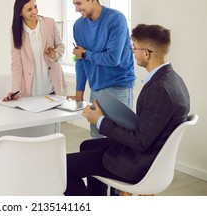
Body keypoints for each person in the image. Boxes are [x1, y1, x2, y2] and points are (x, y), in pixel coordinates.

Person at [64, 23, 190, 196]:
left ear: (146, 53)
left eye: (134, 48)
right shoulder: (173, 79)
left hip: (139, 163)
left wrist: (100, 121)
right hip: (148, 151)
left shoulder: (159, 89)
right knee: (86, 145)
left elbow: (140, 142)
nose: (132, 51)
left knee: (64, 168)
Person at [67, 0, 135, 139]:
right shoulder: (78, 26)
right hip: (96, 90)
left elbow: (113, 59)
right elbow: (80, 61)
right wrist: (79, 93)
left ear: (92, 0)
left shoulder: (116, 19)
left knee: (119, 140)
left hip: (118, 89)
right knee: (96, 138)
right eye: (74, 4)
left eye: (79, 3)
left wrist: (85, 54)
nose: (76, 9)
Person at [3, 0, 66, 101]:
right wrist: (15, 90)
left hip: (52, 87)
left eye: (35, 7)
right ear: (20, 12)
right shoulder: (16, 32)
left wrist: (54, 54)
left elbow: (60, 46)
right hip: (30, 91)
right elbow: (16, 64)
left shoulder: (49, 23)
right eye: (29, 9)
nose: (35, 11)